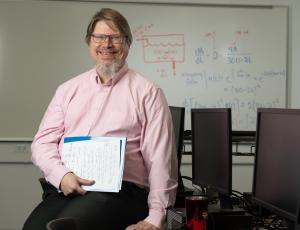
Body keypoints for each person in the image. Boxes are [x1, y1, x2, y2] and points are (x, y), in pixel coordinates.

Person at [23, 8, 178, 230]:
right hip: (67, 186)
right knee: (33, 228)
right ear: (89, 43)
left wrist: (155, 217)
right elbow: (42, 143)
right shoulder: (68, 90)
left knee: (65, 227)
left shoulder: (148, 93)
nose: (107, 44)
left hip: (121, 194)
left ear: (127, 43)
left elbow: (161, 160)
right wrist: (62, 174)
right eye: (99, 37)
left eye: (115, 37)